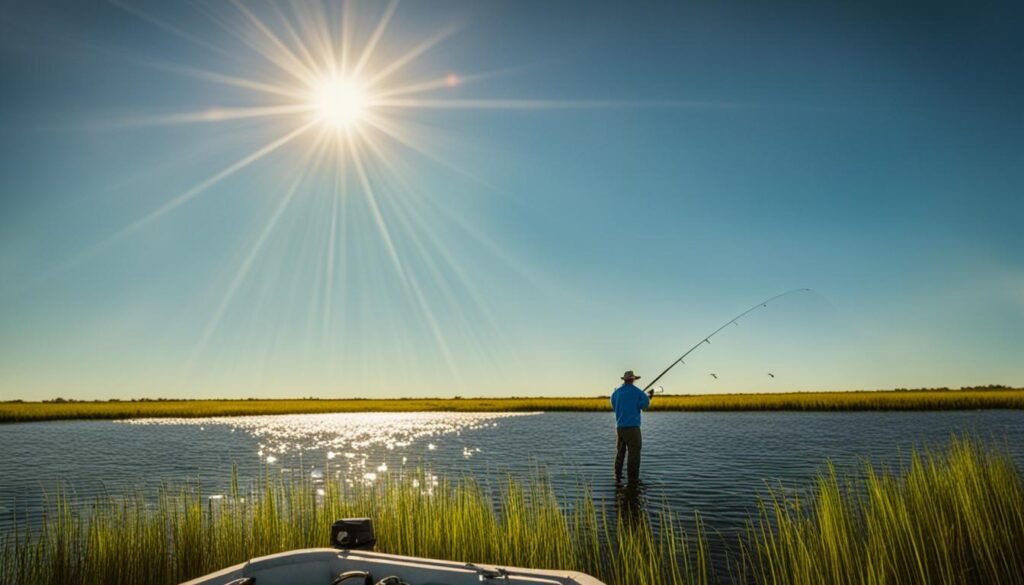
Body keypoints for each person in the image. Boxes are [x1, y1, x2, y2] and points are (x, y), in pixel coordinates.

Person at [610, 370, 654, 484]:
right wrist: (649, 397)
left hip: (620, 428)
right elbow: (644, 406)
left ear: (624, 380)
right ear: (633, 379)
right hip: (633, 429)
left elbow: (615, 407)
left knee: (620, 453)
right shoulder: (638, 393)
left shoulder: (616, 393)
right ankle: (633, 479)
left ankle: (617, 476)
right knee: (634, 454)